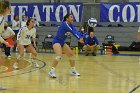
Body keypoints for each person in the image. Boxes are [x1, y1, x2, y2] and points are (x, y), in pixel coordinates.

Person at [48, 14, 84, 78]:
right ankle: (51, 71)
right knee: (59, 55)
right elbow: (72, 31)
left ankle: (73, 70)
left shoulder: (71, 25)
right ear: (67, 18)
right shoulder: (65, 24)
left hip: (62, 42)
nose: (72, 18)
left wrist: (81, 37)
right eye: (71, 17)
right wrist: (79, 38)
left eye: (72, 17)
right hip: (56, 41)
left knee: (71, 55)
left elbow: (75, 30)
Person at [0, 0, 11, 90]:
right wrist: (4, 41)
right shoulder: (1, 18)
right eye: (10, 7)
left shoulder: (2, 18)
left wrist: (4, 41)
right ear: (7, 8)